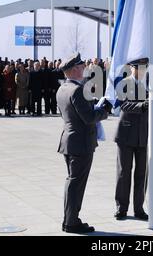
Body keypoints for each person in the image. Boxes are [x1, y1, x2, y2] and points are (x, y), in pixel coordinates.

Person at [56, 53, 110, 234]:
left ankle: (69, 220)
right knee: (76, 184)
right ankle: (71, 222)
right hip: (81, 142)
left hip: (70, 140)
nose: (84, 69)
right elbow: (88, 118)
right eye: (81, 67)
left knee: (72, 183)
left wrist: (92, 103)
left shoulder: (63, 88)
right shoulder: (78, 90)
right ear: (73, 70)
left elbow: (74, 112)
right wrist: (105, 110)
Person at [114, 59, 149, 222]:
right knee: (124, 172)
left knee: (141, 173)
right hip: (126, 133)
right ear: (131, 68)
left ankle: (139, 208)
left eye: (144, 68)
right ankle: (121, 207)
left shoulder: (149, 85)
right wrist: (142, 106)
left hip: (142, 134)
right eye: (138, 68)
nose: (141, 71)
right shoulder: (124, 83)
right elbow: (123, 105)